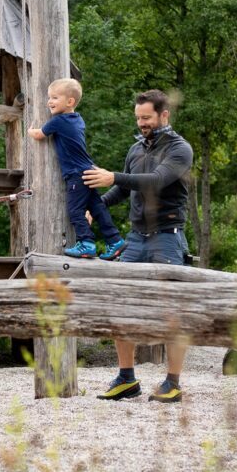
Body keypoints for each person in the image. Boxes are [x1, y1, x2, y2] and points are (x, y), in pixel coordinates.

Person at [82, 89, 194, 403]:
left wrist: (113, 176)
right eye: (138, 118)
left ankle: (172, 381)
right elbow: (123, 189)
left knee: (172, 313)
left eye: (146, 118)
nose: (142, 123)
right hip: (135, 238)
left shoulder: (180, 149)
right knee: (119, 304)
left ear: (164, 115)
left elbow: (156, 180)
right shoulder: (135, 149)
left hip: (167, 238)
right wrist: (97, 207)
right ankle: (126, 378)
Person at [28, 78, 126, 260]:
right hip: (87, 170)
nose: (49, 101)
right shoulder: (78, 119)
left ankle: (86, 242)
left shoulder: (59, 121)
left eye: (55, 97)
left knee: (75, 210)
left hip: (76, 174)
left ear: (70, 101)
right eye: (49, 97)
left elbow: (39, 134)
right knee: (97, 207)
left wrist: (29, 129)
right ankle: (114, 240)